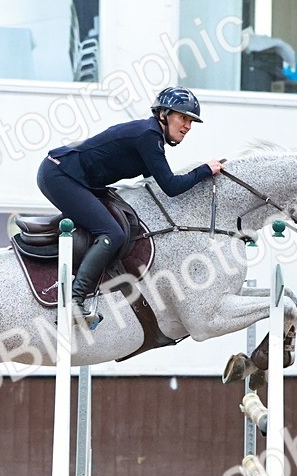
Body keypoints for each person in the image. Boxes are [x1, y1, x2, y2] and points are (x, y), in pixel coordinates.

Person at [37, 86, 224, 325]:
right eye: (183, 117)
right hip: (59, 174)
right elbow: (171, 186)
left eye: (191, 121)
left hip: (72, 177)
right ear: (163, 115)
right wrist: (205, 170)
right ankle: (74, 301)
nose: (188, 126)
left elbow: (155, 185)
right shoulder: (149, 136)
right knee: (111, 232)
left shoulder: (150, 136)